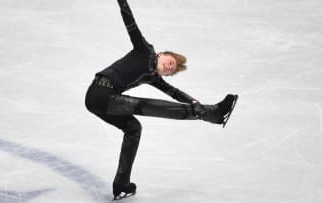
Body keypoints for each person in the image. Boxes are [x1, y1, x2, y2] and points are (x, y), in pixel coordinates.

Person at [85, 0, 238, 200]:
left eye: (171, 70)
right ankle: (214, 113)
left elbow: (174, 92)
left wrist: (194, 102)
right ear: (162, 53)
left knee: (133, 129)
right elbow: (130, 22)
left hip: (100, 101)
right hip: (101, 93)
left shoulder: (152, 77)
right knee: (156, 108)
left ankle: (121, 183)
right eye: (170, 62)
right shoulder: (143, 49)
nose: (169, 68)